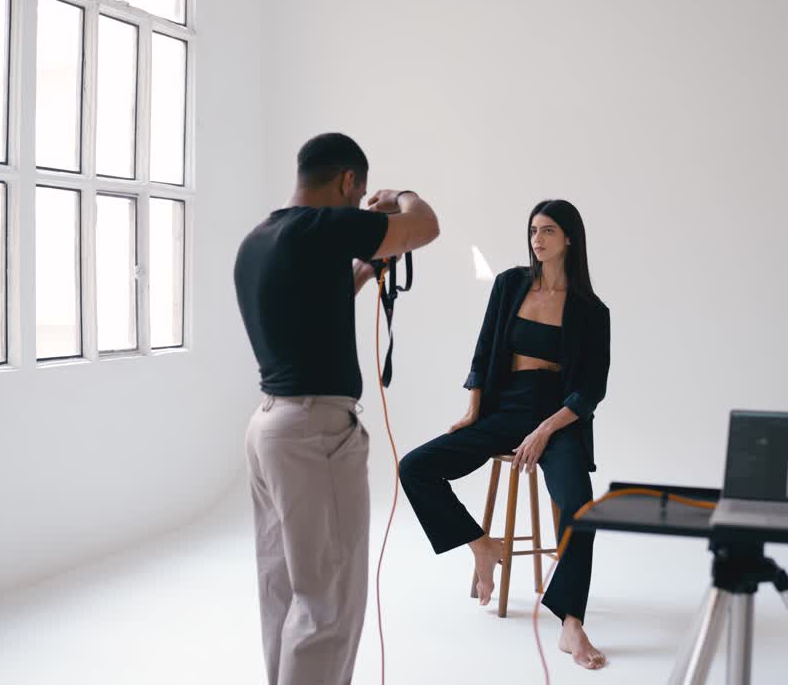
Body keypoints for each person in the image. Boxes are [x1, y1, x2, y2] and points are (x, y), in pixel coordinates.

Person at [233, 133, 441, 685]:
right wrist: (401, 197)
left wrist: (370, 270)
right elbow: (425, 227)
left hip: (270, 430)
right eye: (360, 194)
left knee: (284, 589)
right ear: (348, 181)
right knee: (327, 602)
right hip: (314, 434)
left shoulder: (262, 239)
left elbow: (317, 302)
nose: (360, 204)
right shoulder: (321, 227)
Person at [398, 199, 611, 670]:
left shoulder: (591, 311)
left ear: (569, 239)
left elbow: (590, 392)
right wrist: (473, 411)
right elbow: (483, 351)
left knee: (579, 505)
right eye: (534, 230)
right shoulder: (510, 284)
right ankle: (481, 545)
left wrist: (544, 431)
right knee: (414, 467)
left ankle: (570, 623)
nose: (537, 239)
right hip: (504, 409)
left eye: (549, 231)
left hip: (557, 419)